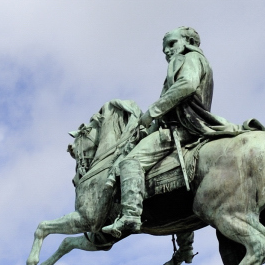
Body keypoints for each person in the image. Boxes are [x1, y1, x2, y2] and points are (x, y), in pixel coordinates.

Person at [100, 26, 240, 245]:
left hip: (181, 129)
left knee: (130, 162)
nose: (167, 50)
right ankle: (185, 246)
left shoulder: (190, 58)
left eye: (172, 44)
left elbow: (187, 84)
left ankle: (130, 215)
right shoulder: (187, 62)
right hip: (183, 127)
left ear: (188, 42)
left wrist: (151, 112)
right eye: (164, 47)